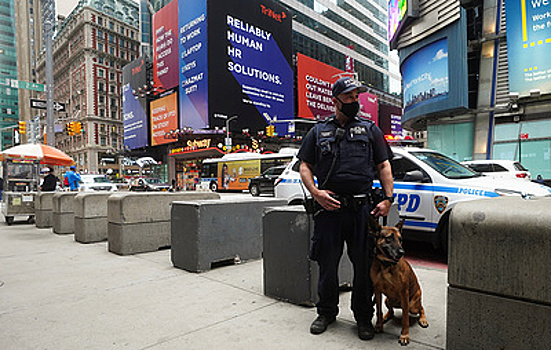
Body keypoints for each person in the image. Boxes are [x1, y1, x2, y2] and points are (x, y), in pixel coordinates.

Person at [298, 77, 394, 341]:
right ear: (335, 100)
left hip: (362, 210)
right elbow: (304, 165)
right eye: (350, 97)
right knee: (327, 264)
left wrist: (388, 198)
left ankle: (363, 316)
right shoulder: (318, 131)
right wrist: (316, 193)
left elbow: (384, 165)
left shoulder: (370, 129)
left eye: (356, 97)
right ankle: (326, 312)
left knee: (363, 266)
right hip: (329, 210)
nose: (355, 102)